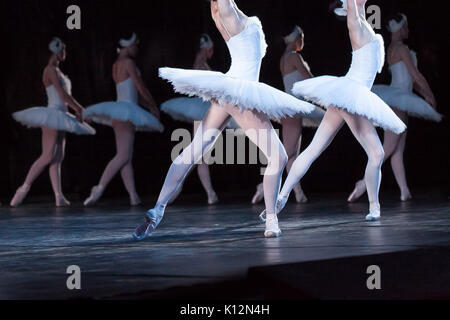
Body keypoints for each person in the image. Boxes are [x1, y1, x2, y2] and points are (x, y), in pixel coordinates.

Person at [133, 0, 316, 240]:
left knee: (194, 150)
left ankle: (157, 209)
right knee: (279, 156)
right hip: (241, 92)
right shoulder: (230, 14)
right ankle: (271, 219)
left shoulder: (229, 14)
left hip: (228, 93)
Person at [272, 0, 406, 224]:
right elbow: (355, 9)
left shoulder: (363, 22)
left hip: (346, 95)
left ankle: (282, 196)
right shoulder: (355, 23)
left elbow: (360, 9)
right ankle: (374, 208)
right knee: (376, 154)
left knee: (315, 148)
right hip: (352, 94)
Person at [348, 13, 442, 203]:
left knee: (397, 149)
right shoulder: (402, 49)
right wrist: (429, 94)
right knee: (388, 147)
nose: (408, 30)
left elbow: (409, 80)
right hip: (398, 98)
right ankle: (363, 183)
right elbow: (415, 75)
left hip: (399, 97)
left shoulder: (392, 48)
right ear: (401, 28)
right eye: (406, 26)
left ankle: (404, 190)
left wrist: (422, 93)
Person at [11, 37, 95, 207]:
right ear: (55, 51)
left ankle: (59, 196)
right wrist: (80, 109)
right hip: (53, 114)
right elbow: (63, 96)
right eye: (63, 49)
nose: (65, 53)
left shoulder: (58, 71)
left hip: (61, 115)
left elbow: (65, 97)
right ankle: (22, 190)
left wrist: (76, 110)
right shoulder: (50, 70)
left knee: (58, 157)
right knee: (48, 155)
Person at [83, 33, 163, 206]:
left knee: (126, 156)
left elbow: (131, 93)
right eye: (135, 45)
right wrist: (153, 106)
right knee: (123, 155)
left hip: (121, 111)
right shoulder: (128, 63)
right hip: (126, 112)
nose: (136, 49)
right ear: (128, 46)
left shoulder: (115, 65)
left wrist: (146, 106)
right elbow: (140, 87)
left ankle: (133, 196)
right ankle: (99, 188)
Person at [252, 25, 325, 205]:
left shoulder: (284, 58)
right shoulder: (294, 57)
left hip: (290, 107)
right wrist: (325, 93)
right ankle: (263, 186)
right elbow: (309, 79)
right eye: (302, 37)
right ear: (296, 38)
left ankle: (298, 193)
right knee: (286, 153)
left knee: (291, 155)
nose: (303, 42)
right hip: (293, 107)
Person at [161, 34, 219, 205]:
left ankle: (208, 193)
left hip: (200, 110)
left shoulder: (198, 63)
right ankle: (177, 185)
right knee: (198, 152)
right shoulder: (202, 66)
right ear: (208, 50)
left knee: (199, 152)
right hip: (202, 110)